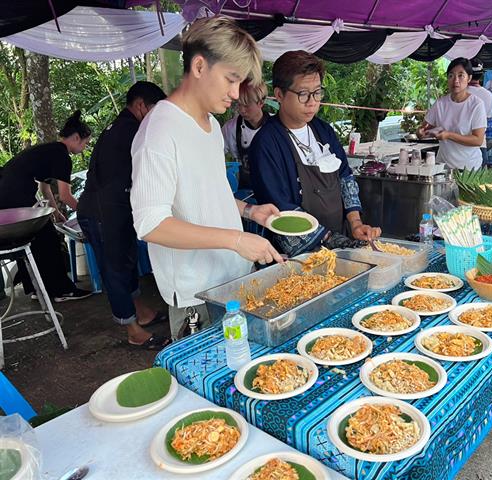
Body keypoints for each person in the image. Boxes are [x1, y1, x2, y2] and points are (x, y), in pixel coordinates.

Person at [130, 17, 283, 339]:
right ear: (199, 66)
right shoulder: (159, 131)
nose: (236, 93)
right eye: (231, 79)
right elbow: (151, 224)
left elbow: (205, 193)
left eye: (240, 83)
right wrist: (237, 239)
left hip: (234, 278)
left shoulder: (212, 126)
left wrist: (248, 211)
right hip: (196, 295)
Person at [249, 50, 381, 256]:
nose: (312, 102)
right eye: (303, 94)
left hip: (340, 240)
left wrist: (355, 224)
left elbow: (345, 177)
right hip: (299, 254)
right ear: (279, 94)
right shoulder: (266, 144)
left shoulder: (323, 130)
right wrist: (328, 238)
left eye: (317, 92)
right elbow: (280, 209)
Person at [77, 82, 170, 350]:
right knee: (115, 268)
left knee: (127, 261)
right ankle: (133, 330)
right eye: (154, 109)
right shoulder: (130, 130)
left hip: (115, 208)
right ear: (141, 105)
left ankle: (141, 311)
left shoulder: (123, 127)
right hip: (103, 212)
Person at [0, 111, 93, 302]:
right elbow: (66, 196)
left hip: (7, 193)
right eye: (85, 143)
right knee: (48, 237)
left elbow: (44, 186)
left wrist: (56, 211)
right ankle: (61, 290)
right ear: (76, 138)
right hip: (13, 194)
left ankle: (38, 288)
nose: (84, 148)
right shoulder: (61, 156)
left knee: (34, 239)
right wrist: (88, 213)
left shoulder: (50, 150)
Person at [417, 57, 487, 170]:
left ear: (469, 78)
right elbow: (424, 128)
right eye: (451, 76)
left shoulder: (476, 105)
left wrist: (449, 135)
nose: (456, 81)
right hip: (443, 166)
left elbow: (478, 140)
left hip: (469, 169)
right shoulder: (440, 103)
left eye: (461, 75)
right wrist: (421, 132)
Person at [221, 80, 269, 189]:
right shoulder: (231, 128)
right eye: (239, 104)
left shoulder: (276, 127)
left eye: (247, 105)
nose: (242, 110)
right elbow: (214, 154)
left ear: (261, 103)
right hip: (246, 189)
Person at [468, 59, 492, 165]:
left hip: (461, 147)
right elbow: (486, 120)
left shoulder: (460, 94)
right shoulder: (488, 95)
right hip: (481, 145)